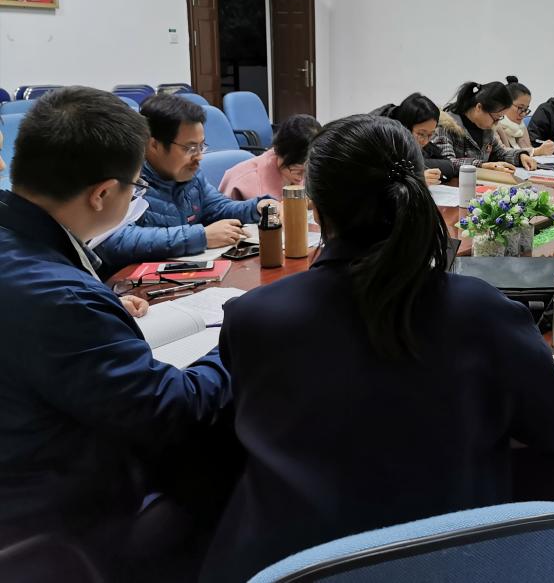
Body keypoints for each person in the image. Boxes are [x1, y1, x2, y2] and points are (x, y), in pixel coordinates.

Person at [200, 115, 554, 582]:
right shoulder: (480, 312)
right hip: (452, 569)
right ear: (417, 193)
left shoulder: (253, 317)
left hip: (292, 568)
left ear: (316, 208)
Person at [0, 87, 233, 580]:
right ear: (103, 193)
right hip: (54, 508)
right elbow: (174, 411)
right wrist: (237, 340)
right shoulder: (59, 299)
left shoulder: (21, 247)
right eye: (134, 187)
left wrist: (101, 308)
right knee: (229, 454)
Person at [95, 94, 278, 274]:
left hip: (185, 275)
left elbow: (217, 207)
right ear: (153, 145)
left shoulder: (191, 174)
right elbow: (116, 240)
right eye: (190, 148)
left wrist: (257, 208)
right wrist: (201, 237)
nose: (199, 157)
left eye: (201, 146)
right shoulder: (128, 180)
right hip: (134, 283)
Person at [431, 81, 538, 174]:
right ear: (479, 107)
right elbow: (447, 163)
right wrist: (481, 165)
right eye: (495, 118)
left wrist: (520, 156)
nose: (496, 123)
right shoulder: (445, 126)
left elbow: (500, 153)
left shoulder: (486, 129)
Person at [219, 114, 321, 200]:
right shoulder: (241, 182)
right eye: (297, 171)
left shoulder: (307, 168)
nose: (301, 178)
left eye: (307, 171)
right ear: (279, 151)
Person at [370, 92, 455, 183]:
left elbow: (448, 166)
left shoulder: (420, 141)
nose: (425, 141)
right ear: (405, 127)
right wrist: (414, 178)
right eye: (421, 134)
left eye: (430, 135)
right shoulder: (380, 137)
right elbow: (375, 178)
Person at [495, 75, 554, 156]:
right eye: (520, 108)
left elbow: (529, 149)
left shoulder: (521, 127)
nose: (523, 114)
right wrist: (537, 151)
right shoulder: (494, 125)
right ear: (506, 104)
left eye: (526, 109)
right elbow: (501, 153)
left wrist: (548, 149)